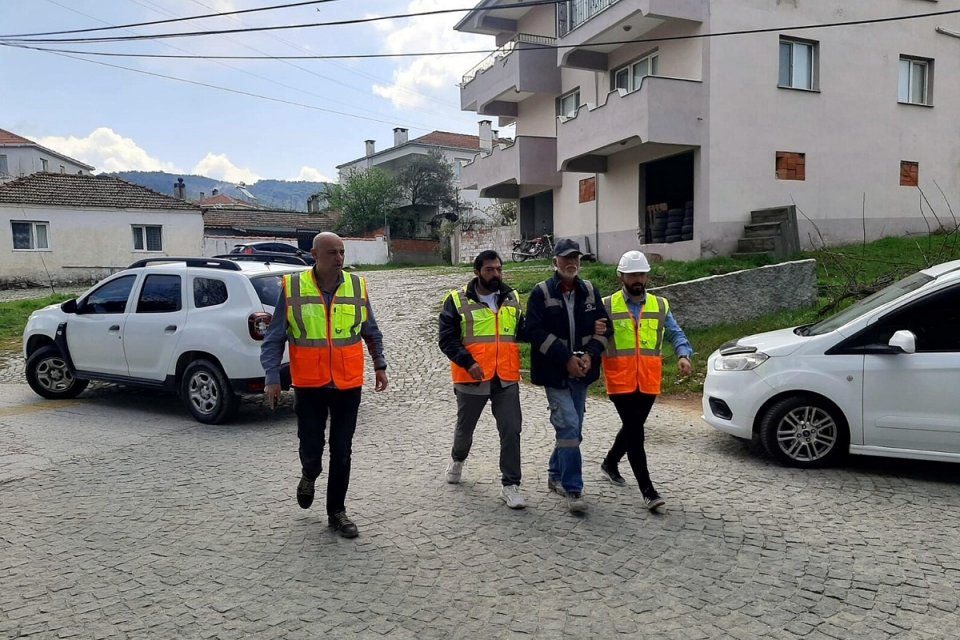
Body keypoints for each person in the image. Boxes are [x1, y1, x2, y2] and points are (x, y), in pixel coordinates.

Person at [260, 232, 388, 539]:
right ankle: (309, 474)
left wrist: (379, 364)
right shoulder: (293, 288)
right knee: (313, 448)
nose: (339, 258)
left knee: (342, 450)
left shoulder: (357, 286)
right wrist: (272, 378)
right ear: (315, 255)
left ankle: (337, 512)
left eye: (342, 252)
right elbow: (275, 336)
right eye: (332, 252)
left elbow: (371, 330)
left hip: (347, 383)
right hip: (310, 384)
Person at [597, 250, 692, 512]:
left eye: (641, 274)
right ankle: (648, 490)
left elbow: (675, 333)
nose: (637, 279)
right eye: (632, 275)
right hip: (619, 378)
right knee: (636, 432)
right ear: (621, 277)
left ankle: (610, 463)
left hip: (649, 379)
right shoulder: (606, 305)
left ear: (647, 276)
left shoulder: (660, 305)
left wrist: (683, 355)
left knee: (632, 427)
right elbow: (594, 338)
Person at [525, 238, 609, 513]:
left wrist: (589, 356)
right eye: (566, 258)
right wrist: (567, 359)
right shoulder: (541, 293)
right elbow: (534, 333)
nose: (571, 263)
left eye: (576, 258)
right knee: (570, 427)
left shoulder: (589, 290)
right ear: (555, 262)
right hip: (555, 374)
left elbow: (604, 330)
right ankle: (574, 489)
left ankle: (554, 473)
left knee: (572, 431)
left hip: (582, 373)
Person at [437, 250, 526, 508]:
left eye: (499, 269)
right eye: (490, 270)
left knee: (511, 430)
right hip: (471, 378)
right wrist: (468, 362)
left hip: (506, 377)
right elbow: (447, 339)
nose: (496, 274)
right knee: (465, 429)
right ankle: (458, 458)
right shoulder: (456, 300)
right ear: (477, 272)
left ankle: (511, 485)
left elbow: (522, 330)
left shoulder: (512, 297)